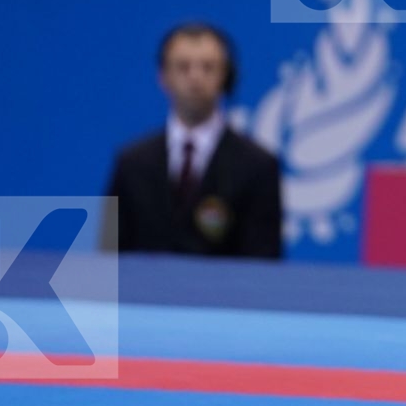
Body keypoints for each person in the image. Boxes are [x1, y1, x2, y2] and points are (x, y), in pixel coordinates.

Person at [105, 23, 284, 258]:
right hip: (141, 293)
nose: (195, 77)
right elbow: (108, 255)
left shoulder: (258, 166)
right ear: (163, 76)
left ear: (226, 77)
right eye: (183, 67)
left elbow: (264, 263)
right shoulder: (132, 163)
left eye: (208, 67)